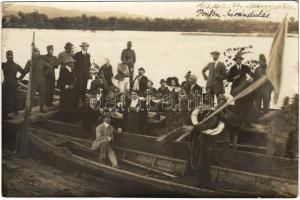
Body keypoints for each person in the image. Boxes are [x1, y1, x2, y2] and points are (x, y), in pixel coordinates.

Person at [227, 53, 255, 126]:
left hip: (244, 89)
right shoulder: (232, 68)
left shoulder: (245, 67)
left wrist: (252, 79)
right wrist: (236, 77)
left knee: (245, 105)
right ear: (235, 61)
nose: (238, 61)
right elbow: (229, 79)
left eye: (240, 59)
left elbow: (252, 74)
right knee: (237, 105)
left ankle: (246, 122)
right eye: (237, 60)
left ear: (241, 60)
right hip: (236, 90)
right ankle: (237, 122)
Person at [21, 48, 53, 113]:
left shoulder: (42, 61)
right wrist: (19, 78)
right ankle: (29, 109)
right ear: (33, 54)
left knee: (42, 95)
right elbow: (25, 71)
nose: (37, 54)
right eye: (36, 53)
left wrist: (44, 74)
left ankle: (42, 108)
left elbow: (50, 67)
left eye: (38, 53)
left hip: (42, 81)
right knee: (32, 96)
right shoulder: (30, 61)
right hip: (33, 81)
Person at [2, 50, 25, 119]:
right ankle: (11, 113)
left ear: (12, 56)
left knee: (12, 98)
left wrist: (19, 79)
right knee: (10, 99)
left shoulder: (4, 65)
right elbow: (24, 72)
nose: (10, 57)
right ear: (6, 56)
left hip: (8, 84)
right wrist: (19, 79)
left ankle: (13, 112)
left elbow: (23, 72)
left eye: (10, 55)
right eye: (9, 56)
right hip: (9, 84)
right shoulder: (6, 65)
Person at [57, 57, 79, 122]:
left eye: (73, 63)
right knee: (65, 108)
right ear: (68, 64)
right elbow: (59, 83)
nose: (73, 64)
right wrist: (67, 86)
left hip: (73, 93)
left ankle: (71, 120)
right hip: (65, 94)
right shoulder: (63, 71)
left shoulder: (73, 71)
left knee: (72, 107)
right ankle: (64, 121)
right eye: (72, 63)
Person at [43, 45, 58, 111]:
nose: (51, 51)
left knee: (52, 90)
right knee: (47, 90)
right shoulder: (44, 57)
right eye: (50, 50)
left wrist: (52, 63)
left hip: (52, 76)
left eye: (52, 49)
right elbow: (43, 65)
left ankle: (50, 103)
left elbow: (57, 65)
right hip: (46, 76)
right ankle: (46, 104)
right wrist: (50, 63)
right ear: (47, 50)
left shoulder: (55, 57)